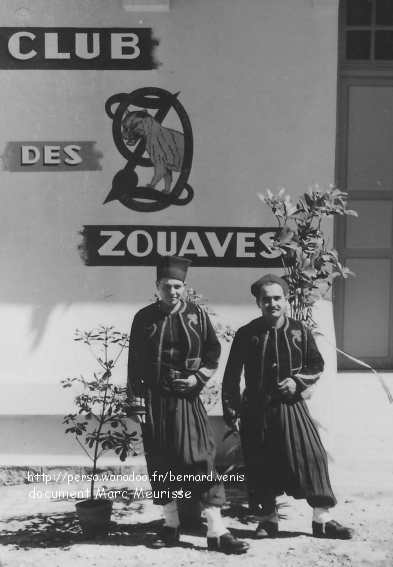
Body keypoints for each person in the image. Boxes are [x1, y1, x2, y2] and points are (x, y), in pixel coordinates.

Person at [127, 255, 249, 554]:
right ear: (157, 287)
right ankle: (170, 525)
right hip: (155, 400)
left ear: (185, 287)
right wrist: (136, 399)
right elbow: (134, 362)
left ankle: (216, 531)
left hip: (187, 399)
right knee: (160, 461)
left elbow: (213, 352)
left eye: (178, 286)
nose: (173, 291)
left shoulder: (196, 314)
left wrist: (197, 379)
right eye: (167, 286)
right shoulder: (144, 317)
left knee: (199, 458)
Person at [222, 274, 353, 540]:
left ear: (286, 300)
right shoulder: (247, 334)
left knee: (312, 456)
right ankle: (267, 520)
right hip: (256, 409)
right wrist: (232, 410)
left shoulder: (299, 331)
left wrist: (297, 382)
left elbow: (316, 364)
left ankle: (323, 519)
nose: (272, 304)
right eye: (266, 299)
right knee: (260, 464)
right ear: (259, 303)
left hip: (291, 407)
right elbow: (232, 375)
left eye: (277, 298)